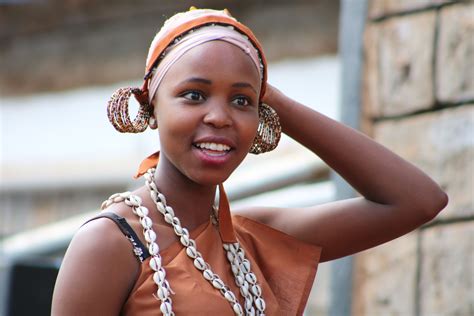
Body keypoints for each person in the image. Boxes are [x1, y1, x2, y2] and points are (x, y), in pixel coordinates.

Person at [51, 7, 448, 316]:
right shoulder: (111, 243)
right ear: (151, 105)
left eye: (241, 101)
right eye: (194, 94)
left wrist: (273, 100)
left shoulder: (252, 240)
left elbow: (418, 200)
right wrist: (241, 82)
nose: (220, 117)